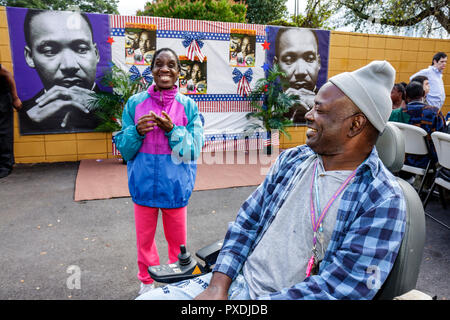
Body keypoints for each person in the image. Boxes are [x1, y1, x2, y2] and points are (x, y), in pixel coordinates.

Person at [137, 60, 407, 300]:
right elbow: (247, 222)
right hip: (234, 282)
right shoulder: (294, 160)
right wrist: (218, 286)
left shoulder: (382, 199)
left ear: (356, 124)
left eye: (320, 110)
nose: (309, 115)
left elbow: (341, 289)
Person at [113, 48, 204, 296]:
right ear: (151, 69)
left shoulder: (188, 106)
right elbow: (125, 150)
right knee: (144, 242)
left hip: (175, 189)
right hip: (142, 187)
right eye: (159, 64)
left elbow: (193, 149)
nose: (165, 69)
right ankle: (146, 283)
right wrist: (136, 132)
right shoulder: (135, 104)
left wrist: (173, 130)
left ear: (178, 73)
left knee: (179, 246)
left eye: (171, 65)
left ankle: (179, 286)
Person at [19, 9, 101, 134]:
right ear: (30, 57)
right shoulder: (24, 115)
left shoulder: (120, 107)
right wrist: (28, 122)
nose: (69, 65)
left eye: (81, 49)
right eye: (49, 51)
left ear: (95, 54)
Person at [390, 81, 447, 173]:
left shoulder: (395, 114)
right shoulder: (435, 113)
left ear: (405, 95)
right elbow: (441, 139)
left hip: (400, 159)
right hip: (427, 162)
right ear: (424, 94)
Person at [274, 28, 321, 124]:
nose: (301, 71)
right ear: (276, 65)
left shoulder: (329, 102)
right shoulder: (268, 103)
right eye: (288, 60)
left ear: (318, 63)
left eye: (309, 59)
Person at [0, 64, 22, 178]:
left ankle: (5, 166)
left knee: (3, 133)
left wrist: (15, 98)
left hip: (2, 98)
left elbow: (7, 74)